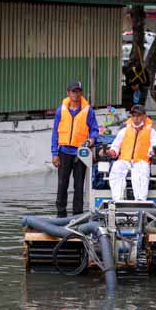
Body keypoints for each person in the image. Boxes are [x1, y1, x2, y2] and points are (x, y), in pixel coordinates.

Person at [51, 81, 99, 218]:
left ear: (81, 93)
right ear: (68, 93)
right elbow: (55, 132)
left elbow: (94, 130)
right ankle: (61, 215)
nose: (75, 94)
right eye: (73, 91)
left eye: (78, 91)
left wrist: (91, 140)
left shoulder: (88, 110)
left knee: (79, 186)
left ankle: (77, 215)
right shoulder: (60, 110)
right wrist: (55, 153)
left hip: (81, 153)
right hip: (64, 152)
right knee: (62, 184)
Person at [107, 104, 156, 202]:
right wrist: (111, 152)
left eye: (138, 116)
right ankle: (117, 200)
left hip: (141, 160)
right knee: (116, 168)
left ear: (144, 116)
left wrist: (153, 152)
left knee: (141, 172)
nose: (136, 118)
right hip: (124, 160)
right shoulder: (124, 131)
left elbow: (154, 146)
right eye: (133, 116)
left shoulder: (151, 132)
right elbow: (115, 146)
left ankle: (140, 200)